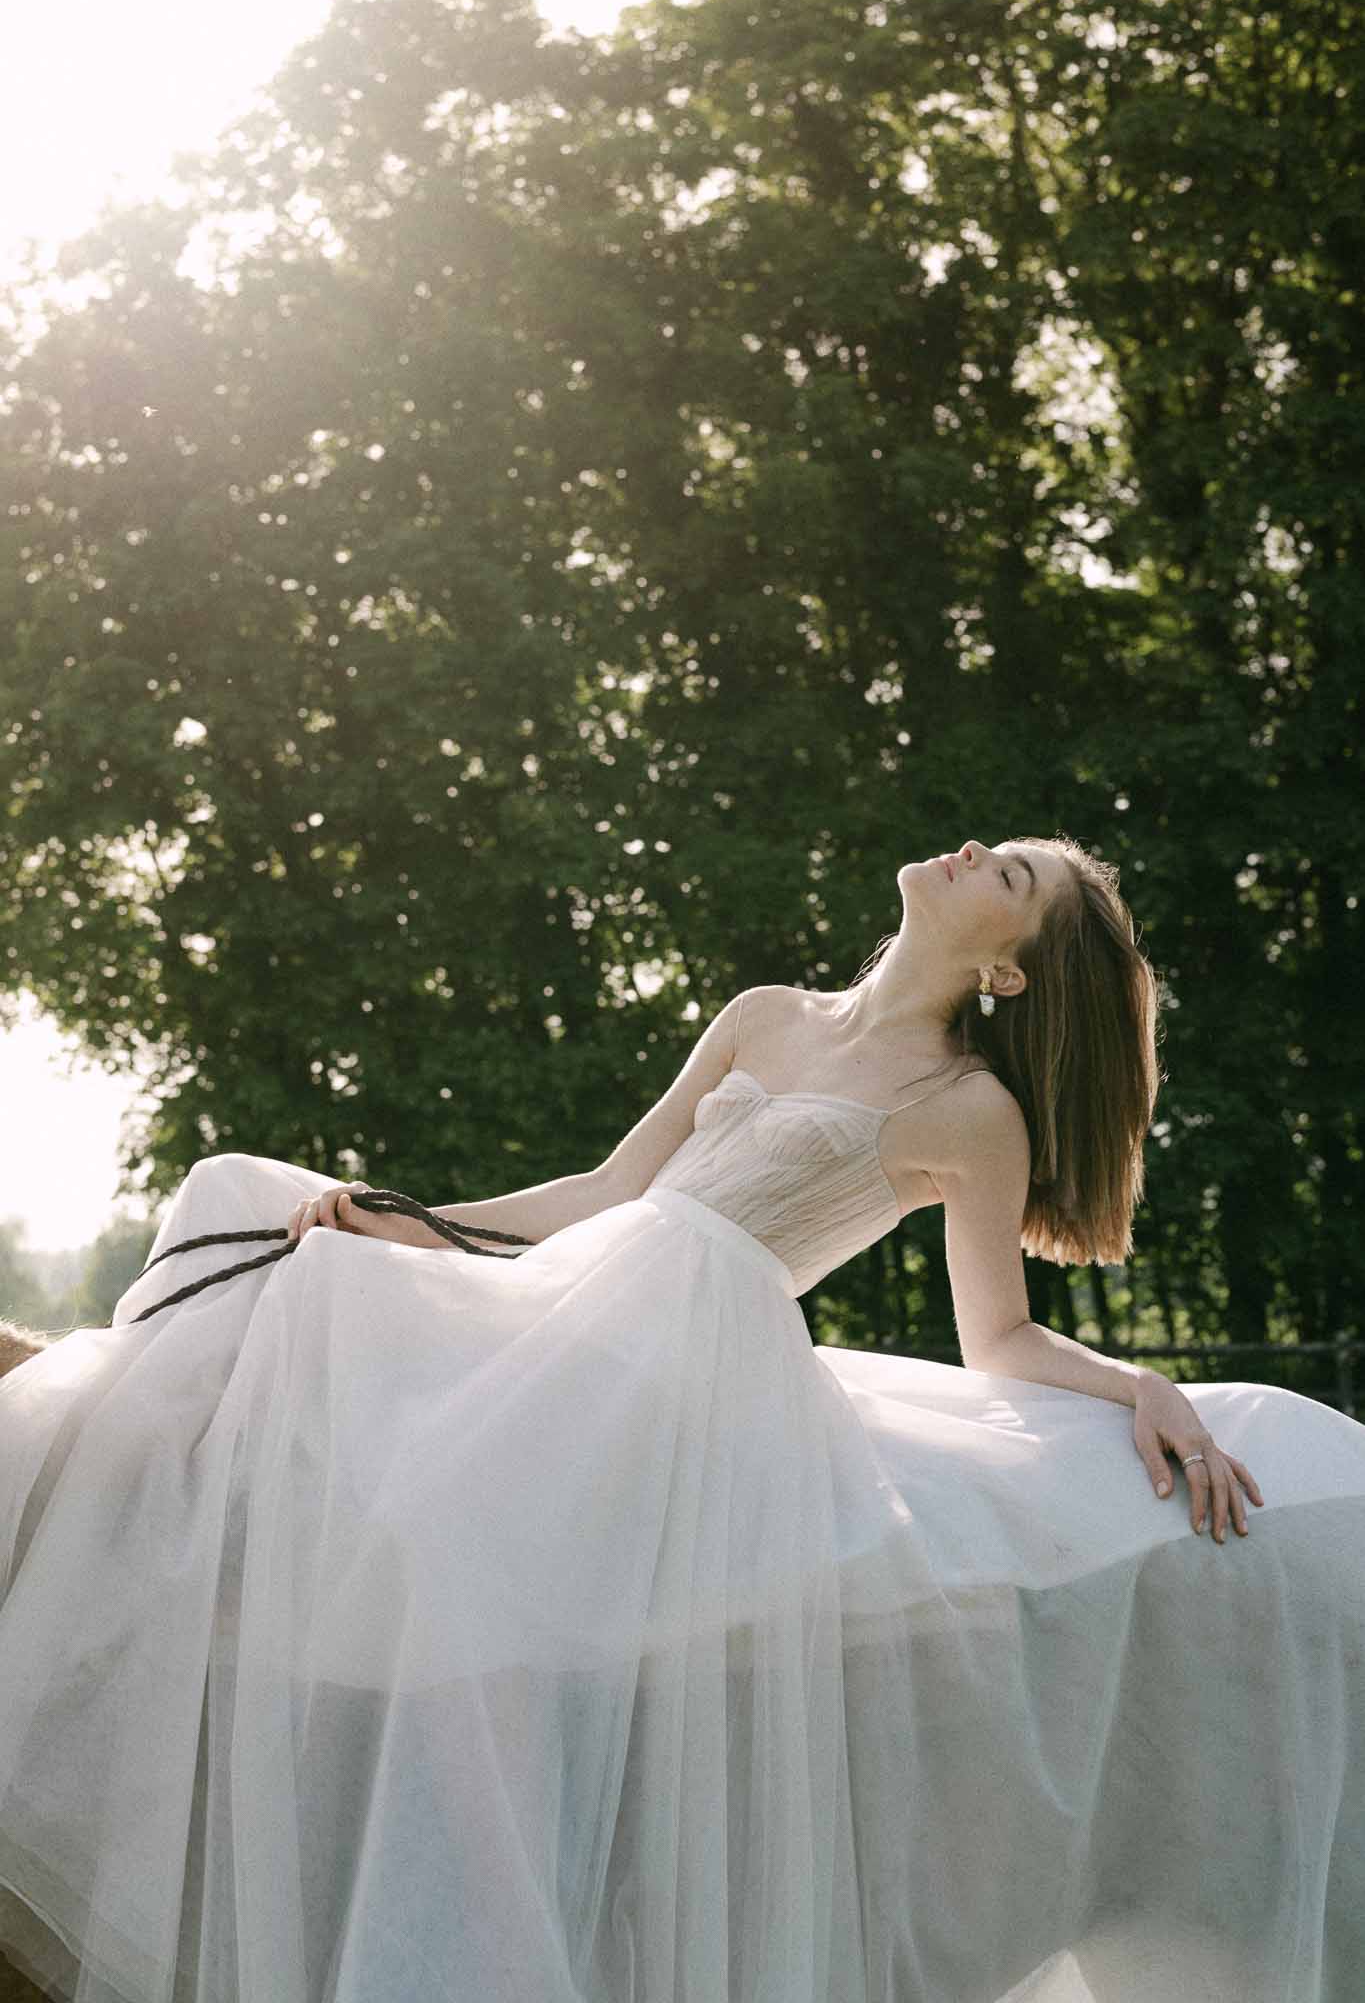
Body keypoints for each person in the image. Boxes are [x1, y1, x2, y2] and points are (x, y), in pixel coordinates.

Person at [1, 835, 1362, 2003]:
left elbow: (992, 1335)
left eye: (1007, 876)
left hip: (681, 1367)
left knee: (422, 1506)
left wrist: (1138, 1386)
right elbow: (601, 1191)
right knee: (243, 1200)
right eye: (993, 842)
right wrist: (414, 1223)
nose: (969, 853)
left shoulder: (969, 1105)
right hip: (574, 1300)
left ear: (1008, 970)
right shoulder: (764, 1011)